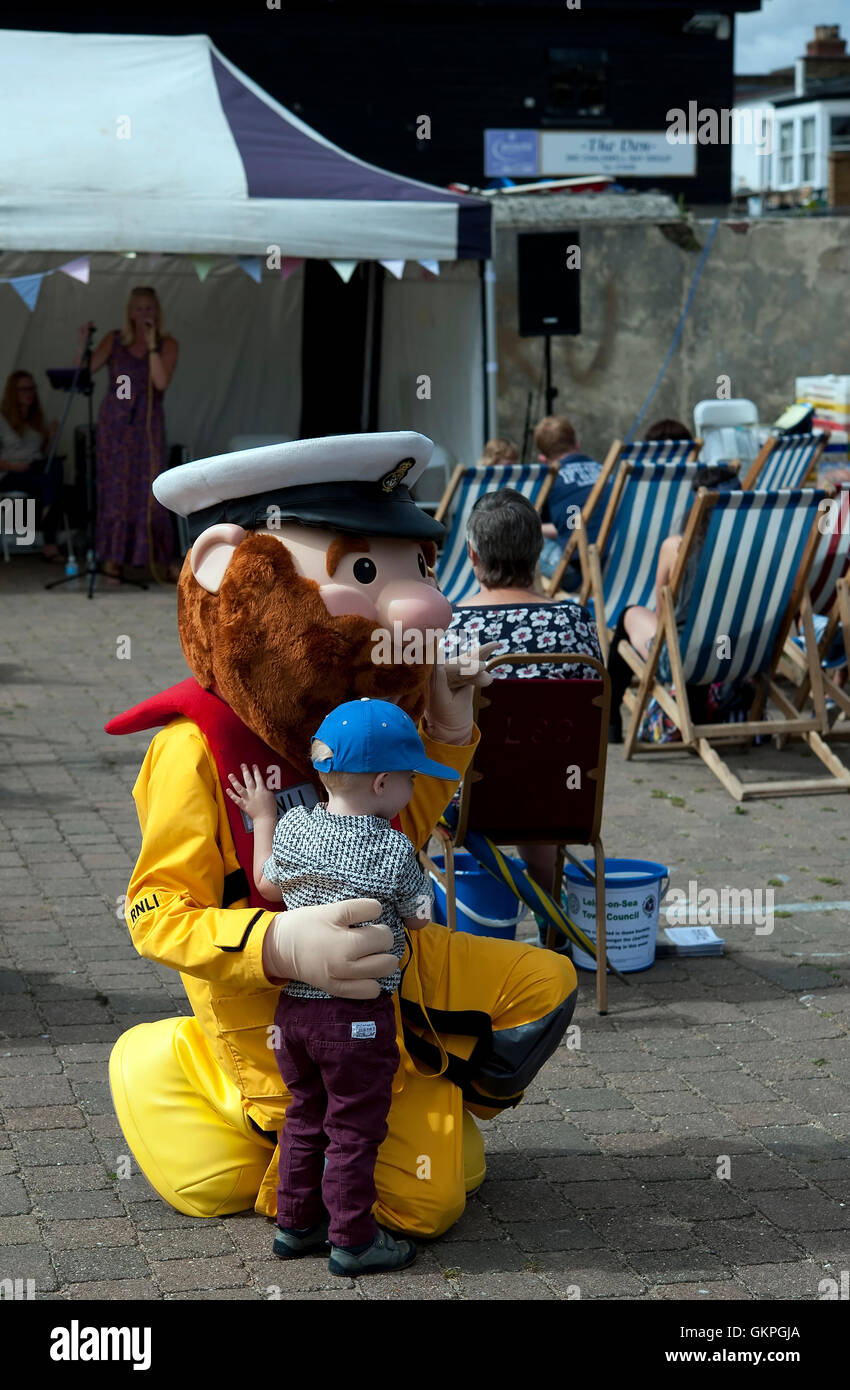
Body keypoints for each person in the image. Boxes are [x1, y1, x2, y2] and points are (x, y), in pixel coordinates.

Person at [105, 432, 577, 1238]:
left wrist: (453, 730)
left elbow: (400, 831)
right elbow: (154, 914)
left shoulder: (362, 721)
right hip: (272, 1001)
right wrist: (280, 946)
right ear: (229, 569)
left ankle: (415, 1084)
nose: (422, 606)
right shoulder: (194, 751)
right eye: (364, 572)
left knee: (545, 988)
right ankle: (201, 1077)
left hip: (380, 965)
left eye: (421, 568)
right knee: (429, 1199)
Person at [225, 698, 457, 1275]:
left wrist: (261, 817)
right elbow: (423, 917)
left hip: (294, 1015)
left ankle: (296, 1223)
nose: (413, 790)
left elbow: (267, 886)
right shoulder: (395, 847)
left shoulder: (297, 826)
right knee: (353, 1127)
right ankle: (353, 1239)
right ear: (383, 783)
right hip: (357, 1017)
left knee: (305, 1113)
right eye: (411, 779)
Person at [446, 488, 602, 898]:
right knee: (537, 763)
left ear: (473, 556)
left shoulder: (450, 628)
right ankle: (553, 921)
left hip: (470, 807)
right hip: (562, 800)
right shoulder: (574, 621)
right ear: (537, 554)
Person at [606, 463, 741, 742]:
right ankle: (699, 705)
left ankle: (608, 720)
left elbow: (662, 611)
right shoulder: (755, 547)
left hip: (686, 662)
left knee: (629, 615)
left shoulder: (676, 547)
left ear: (697, 502)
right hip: (738, 658)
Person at [76, 287, 179, 585]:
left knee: (150, 491)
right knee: (115, 491)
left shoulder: (167, 344)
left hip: (147, 427)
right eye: (139, 309)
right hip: (115, 426)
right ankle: (114, 560)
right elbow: (84, 372)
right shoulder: (114, 340)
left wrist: (151, 347)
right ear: (130, 312)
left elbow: (160, 382)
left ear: (157, 311)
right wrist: (83, 344)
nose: (144, 314)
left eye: (149, 309)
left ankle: (155, 558)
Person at [534, 414, 612, 590]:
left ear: (543, 458)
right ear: (577, 444)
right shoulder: (605, 472)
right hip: (613, 563)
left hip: (574, 572)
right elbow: (574, 523)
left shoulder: (550, 480)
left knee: (520, 537)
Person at [0, 370, 62, 561]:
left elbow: (44, 455)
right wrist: (13, 466)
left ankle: (48, 507)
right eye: (24, 389)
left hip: (35, 468)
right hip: (11, 472)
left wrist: (51, 438)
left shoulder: (36, 421)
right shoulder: (2, 420)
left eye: (32, 388)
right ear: (13, 392)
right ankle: (50, 541)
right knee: (49, 484)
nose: (29, 393)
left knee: (55, 467)